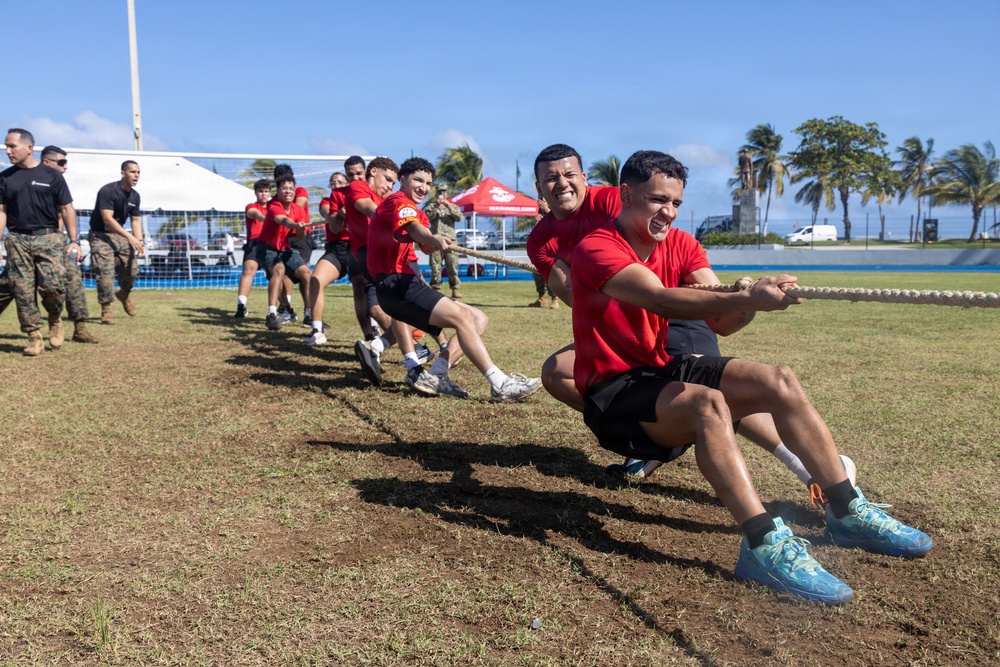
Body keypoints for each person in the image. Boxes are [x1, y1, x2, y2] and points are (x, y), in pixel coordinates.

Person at [571, 149, 931, 603]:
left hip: (663, 369)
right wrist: (747, 300)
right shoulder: (596, 247)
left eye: (677, 203)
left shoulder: (681, 244)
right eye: (658, 199)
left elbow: (721, 321)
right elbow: (661, 299)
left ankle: (847, 509)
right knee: (708, 404)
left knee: (778, 380)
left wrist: (748, 300)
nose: (669, 211)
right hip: (614, 393)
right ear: (625, 194)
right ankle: (763, 544)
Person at [527, 143, 856, 502]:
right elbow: (571, 294)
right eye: (551, 178)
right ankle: (660, 430)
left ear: (584, 178)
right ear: (539, 187)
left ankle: (812, 468)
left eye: (569, 174)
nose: (562, 184)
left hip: (678, 310)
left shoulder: (612, 199)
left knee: (707, 386)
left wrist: (735, 299)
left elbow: (659, 249)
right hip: (629, 320)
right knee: (557, 372)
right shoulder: (541, 240)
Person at [366, 157, 542, 402]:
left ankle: (436, 374)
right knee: (462, 317)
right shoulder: (399, 202)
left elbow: (423, 242)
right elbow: (416, 230)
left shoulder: (415, 212)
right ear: (402, 180)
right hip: (396, 284)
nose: (424, 187)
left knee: (479, 318)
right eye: (418, 180)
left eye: (428, 182)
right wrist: (433, 237)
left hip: (402, 286)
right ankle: (499, 383)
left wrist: (437, 243)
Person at [0, 128, 79, 355]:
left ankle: (55, 318)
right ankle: (34, 336)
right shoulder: (5, 178)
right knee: (22, 291)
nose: (8, 151)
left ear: (29, 148)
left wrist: (73, 240)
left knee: (53, 287)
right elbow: (1, 213)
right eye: (6, 146)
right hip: (17, 239)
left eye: (12, 146)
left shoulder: (52, 176)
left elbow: (67, 208)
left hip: (49, 238)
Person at [40, 146, 97, 343]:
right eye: (62, 163)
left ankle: (79, 328)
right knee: (10, 286)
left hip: (57, 242)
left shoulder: (58, 182)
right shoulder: (28, 180)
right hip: (29, 242)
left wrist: (70, 241)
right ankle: (50, 322)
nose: (65, 167)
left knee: (73, 281)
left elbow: (63, 213)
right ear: (47, 162)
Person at [88, 160, 145, 325]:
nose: (136, 176)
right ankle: (106, 309)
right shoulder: (108, 191)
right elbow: (107, 218)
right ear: (123, 173)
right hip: (100, 235)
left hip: (119, 235)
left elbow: (135, 220)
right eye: (133, 172)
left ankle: (124, 294)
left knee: (132, 271)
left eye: (138, 172)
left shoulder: (135, 196)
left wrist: (139, 241)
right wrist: (130, 237)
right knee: (105, 273)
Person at [256, 174, 312, 330]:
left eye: (291, 188)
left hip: (285, 248)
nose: (288, 191)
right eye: (284, 188)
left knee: (306, 273)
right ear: (278, 191)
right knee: (279, 270)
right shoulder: (274, 206)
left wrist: (301, 229)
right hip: (266, 248)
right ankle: (272, 314)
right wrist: (295, 225)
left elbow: (300, 237)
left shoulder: (298, 209)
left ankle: (309, 315)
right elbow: (283, 220)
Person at [305, 171, 352, 345]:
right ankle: (317, 330)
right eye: (333, 183)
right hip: (336, 250)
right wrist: (338, 214)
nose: (337, 185)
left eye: (340, 182)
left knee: (366, 290)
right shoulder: (327, 202)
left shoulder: (357, 199)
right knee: (315, 280)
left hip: (357, 248)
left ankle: (374, 332)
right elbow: (327, 213)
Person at [234, 179, 271, 318]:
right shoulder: (251, 206)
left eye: (266, 191)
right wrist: (266, 218)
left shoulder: (275, 207)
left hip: (271, 244)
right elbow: (255, 214)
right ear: (256, 193)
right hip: (254, 243)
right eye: (261, 191)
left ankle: (282, 307)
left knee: (276, 275)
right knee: (248, 270)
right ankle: (241, 306)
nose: (263, 194)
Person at [424, 185, 464, 299]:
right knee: (435, 265)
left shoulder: (453, 207)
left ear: (447, 194)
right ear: (436, 194)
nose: (442, 194)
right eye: (440, 192)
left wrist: (448, 205)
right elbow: (427, 218)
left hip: (451, 241)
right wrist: (436, 207)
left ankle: (455, 289)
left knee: (452, 265)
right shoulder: (431, 206)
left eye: (444, 192)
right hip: (436, 241)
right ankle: (436, 289)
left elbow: (459, 217)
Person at [527, 195, 557, 309]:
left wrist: (547, 210)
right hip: (541, 247)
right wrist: (539, 222)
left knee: (552, 274)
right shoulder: (541, 208)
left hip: (553, 248)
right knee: (537, 273)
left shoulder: (558, 204)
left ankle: (555, 299)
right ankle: (541, 298)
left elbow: (561, 222)